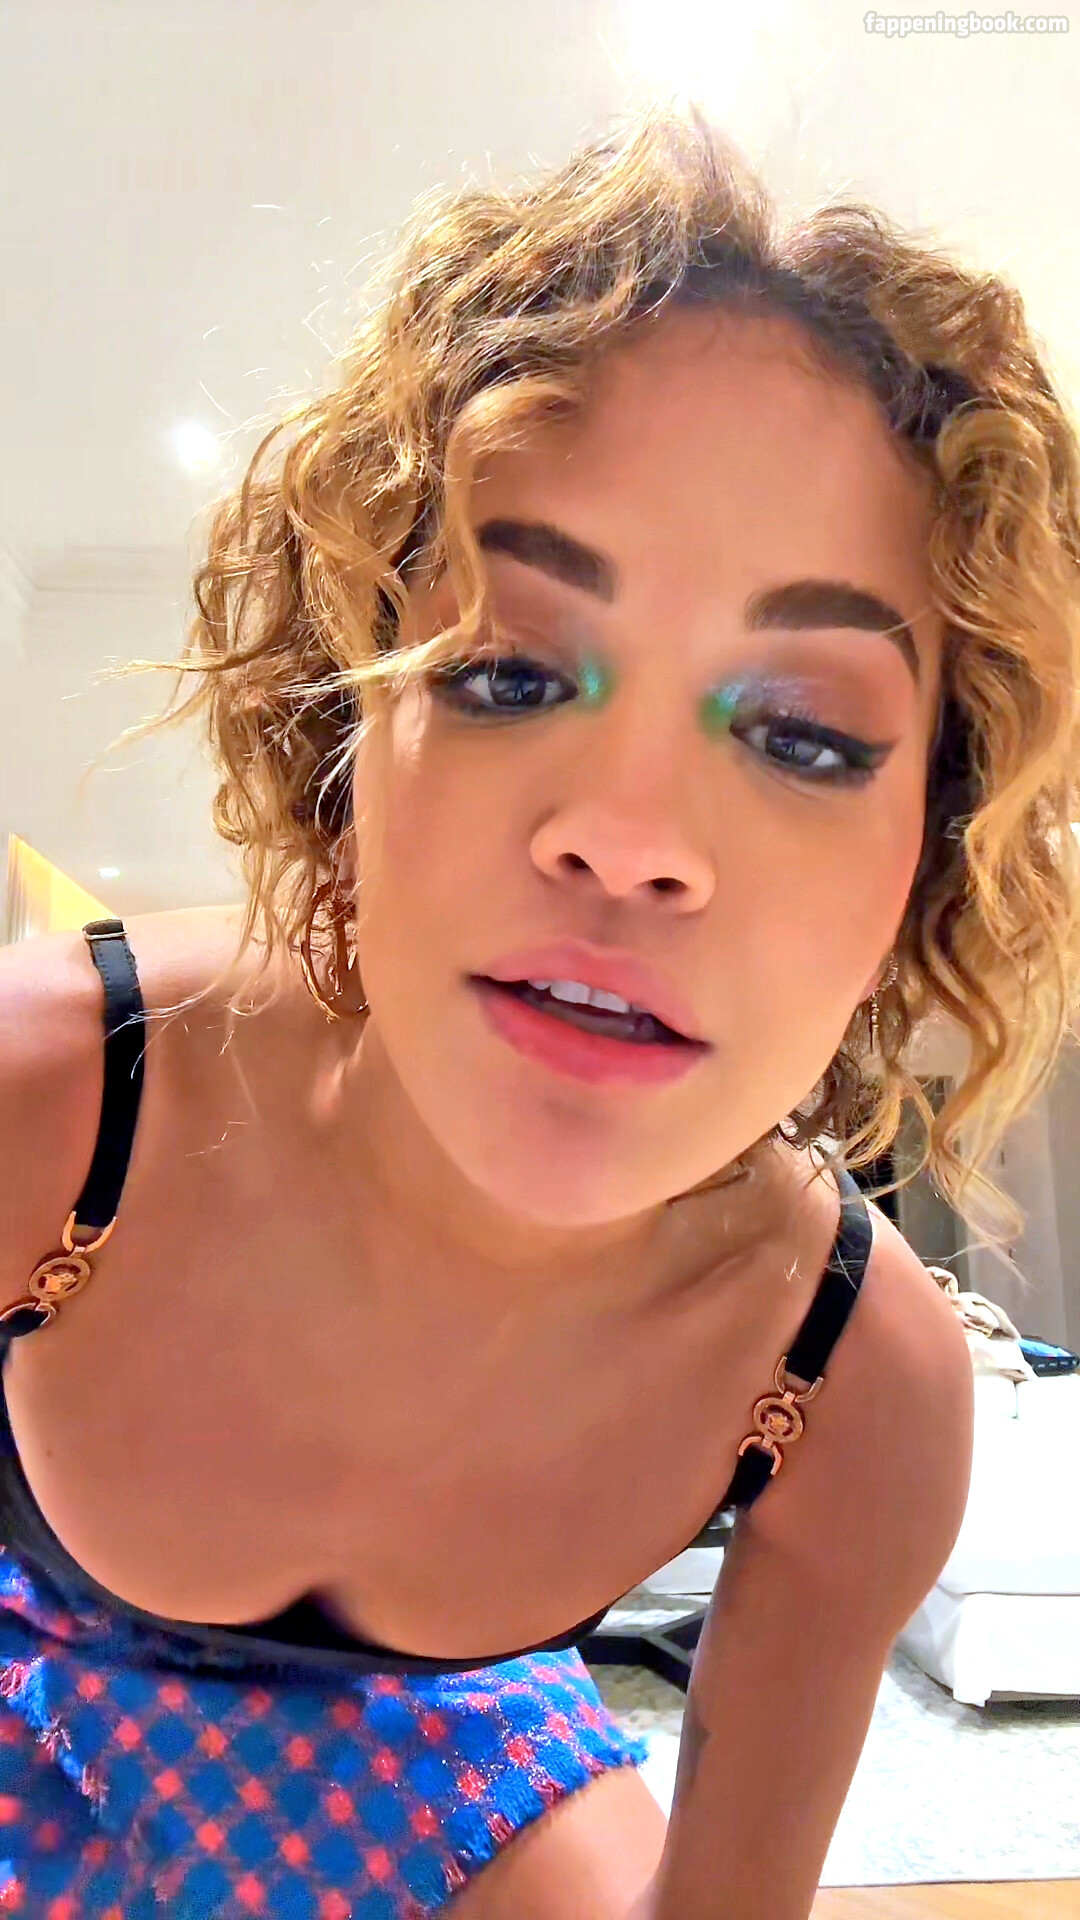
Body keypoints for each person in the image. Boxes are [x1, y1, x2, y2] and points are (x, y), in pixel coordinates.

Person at [1, 106, 1078, 1920]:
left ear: (932, 856)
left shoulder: (846, 1382)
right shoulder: (56, 1100)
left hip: (449, 1767)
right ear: (347, 727)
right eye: (506, 673)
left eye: (804, 735)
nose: (629, 838)